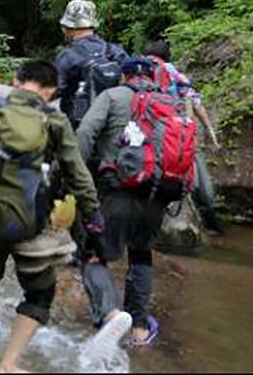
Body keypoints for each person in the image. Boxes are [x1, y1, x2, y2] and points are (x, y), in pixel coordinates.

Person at [0, 59, 105, 373]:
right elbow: (77, 174)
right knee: (40, 293)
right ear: (51, 90)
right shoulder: (53, 120)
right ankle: (9, 364)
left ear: (16, 81)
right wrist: (93, 218)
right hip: (30, 224)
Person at [76, 57, 174, 347]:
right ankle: (140, 328)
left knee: (93, 254)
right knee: (142, 254)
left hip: (118, 190)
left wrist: (76, 174)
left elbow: (85, 133)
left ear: (124, 77)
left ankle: (110, 313)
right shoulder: (171, 103)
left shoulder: (112, 96)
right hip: (158, 194)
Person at [144, 40, 224, 234]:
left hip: (151, 135)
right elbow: (195, 103)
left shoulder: (141, 70)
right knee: (201, 187)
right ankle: (213, 225)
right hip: (180, 136)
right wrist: (209, 130)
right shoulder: (175, 74)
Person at [55, 0, 129, 131]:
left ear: (69, 28)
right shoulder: (115, 52)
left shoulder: (68, 56)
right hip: (113, 124)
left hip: (80, 124)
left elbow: (54, 90)